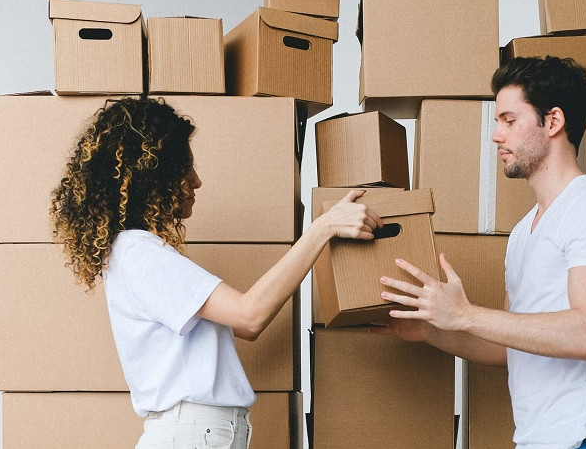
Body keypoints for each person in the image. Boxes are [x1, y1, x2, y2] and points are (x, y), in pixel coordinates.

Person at [51, 96, 382, 449]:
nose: (197, 181)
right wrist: (322, 229)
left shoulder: (136, 253)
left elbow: (243, 326)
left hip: (197, 432)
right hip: (193, 434)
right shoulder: (139, 251)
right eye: (185, 169)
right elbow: (250, 315)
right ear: (156, 177)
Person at [375, 56, 586, 449]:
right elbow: (508, 346)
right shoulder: (522, 232)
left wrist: (464, 313)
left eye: (510, 121)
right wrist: (431, 330)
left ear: (553, 122)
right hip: (539, 440)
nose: (497, 136)